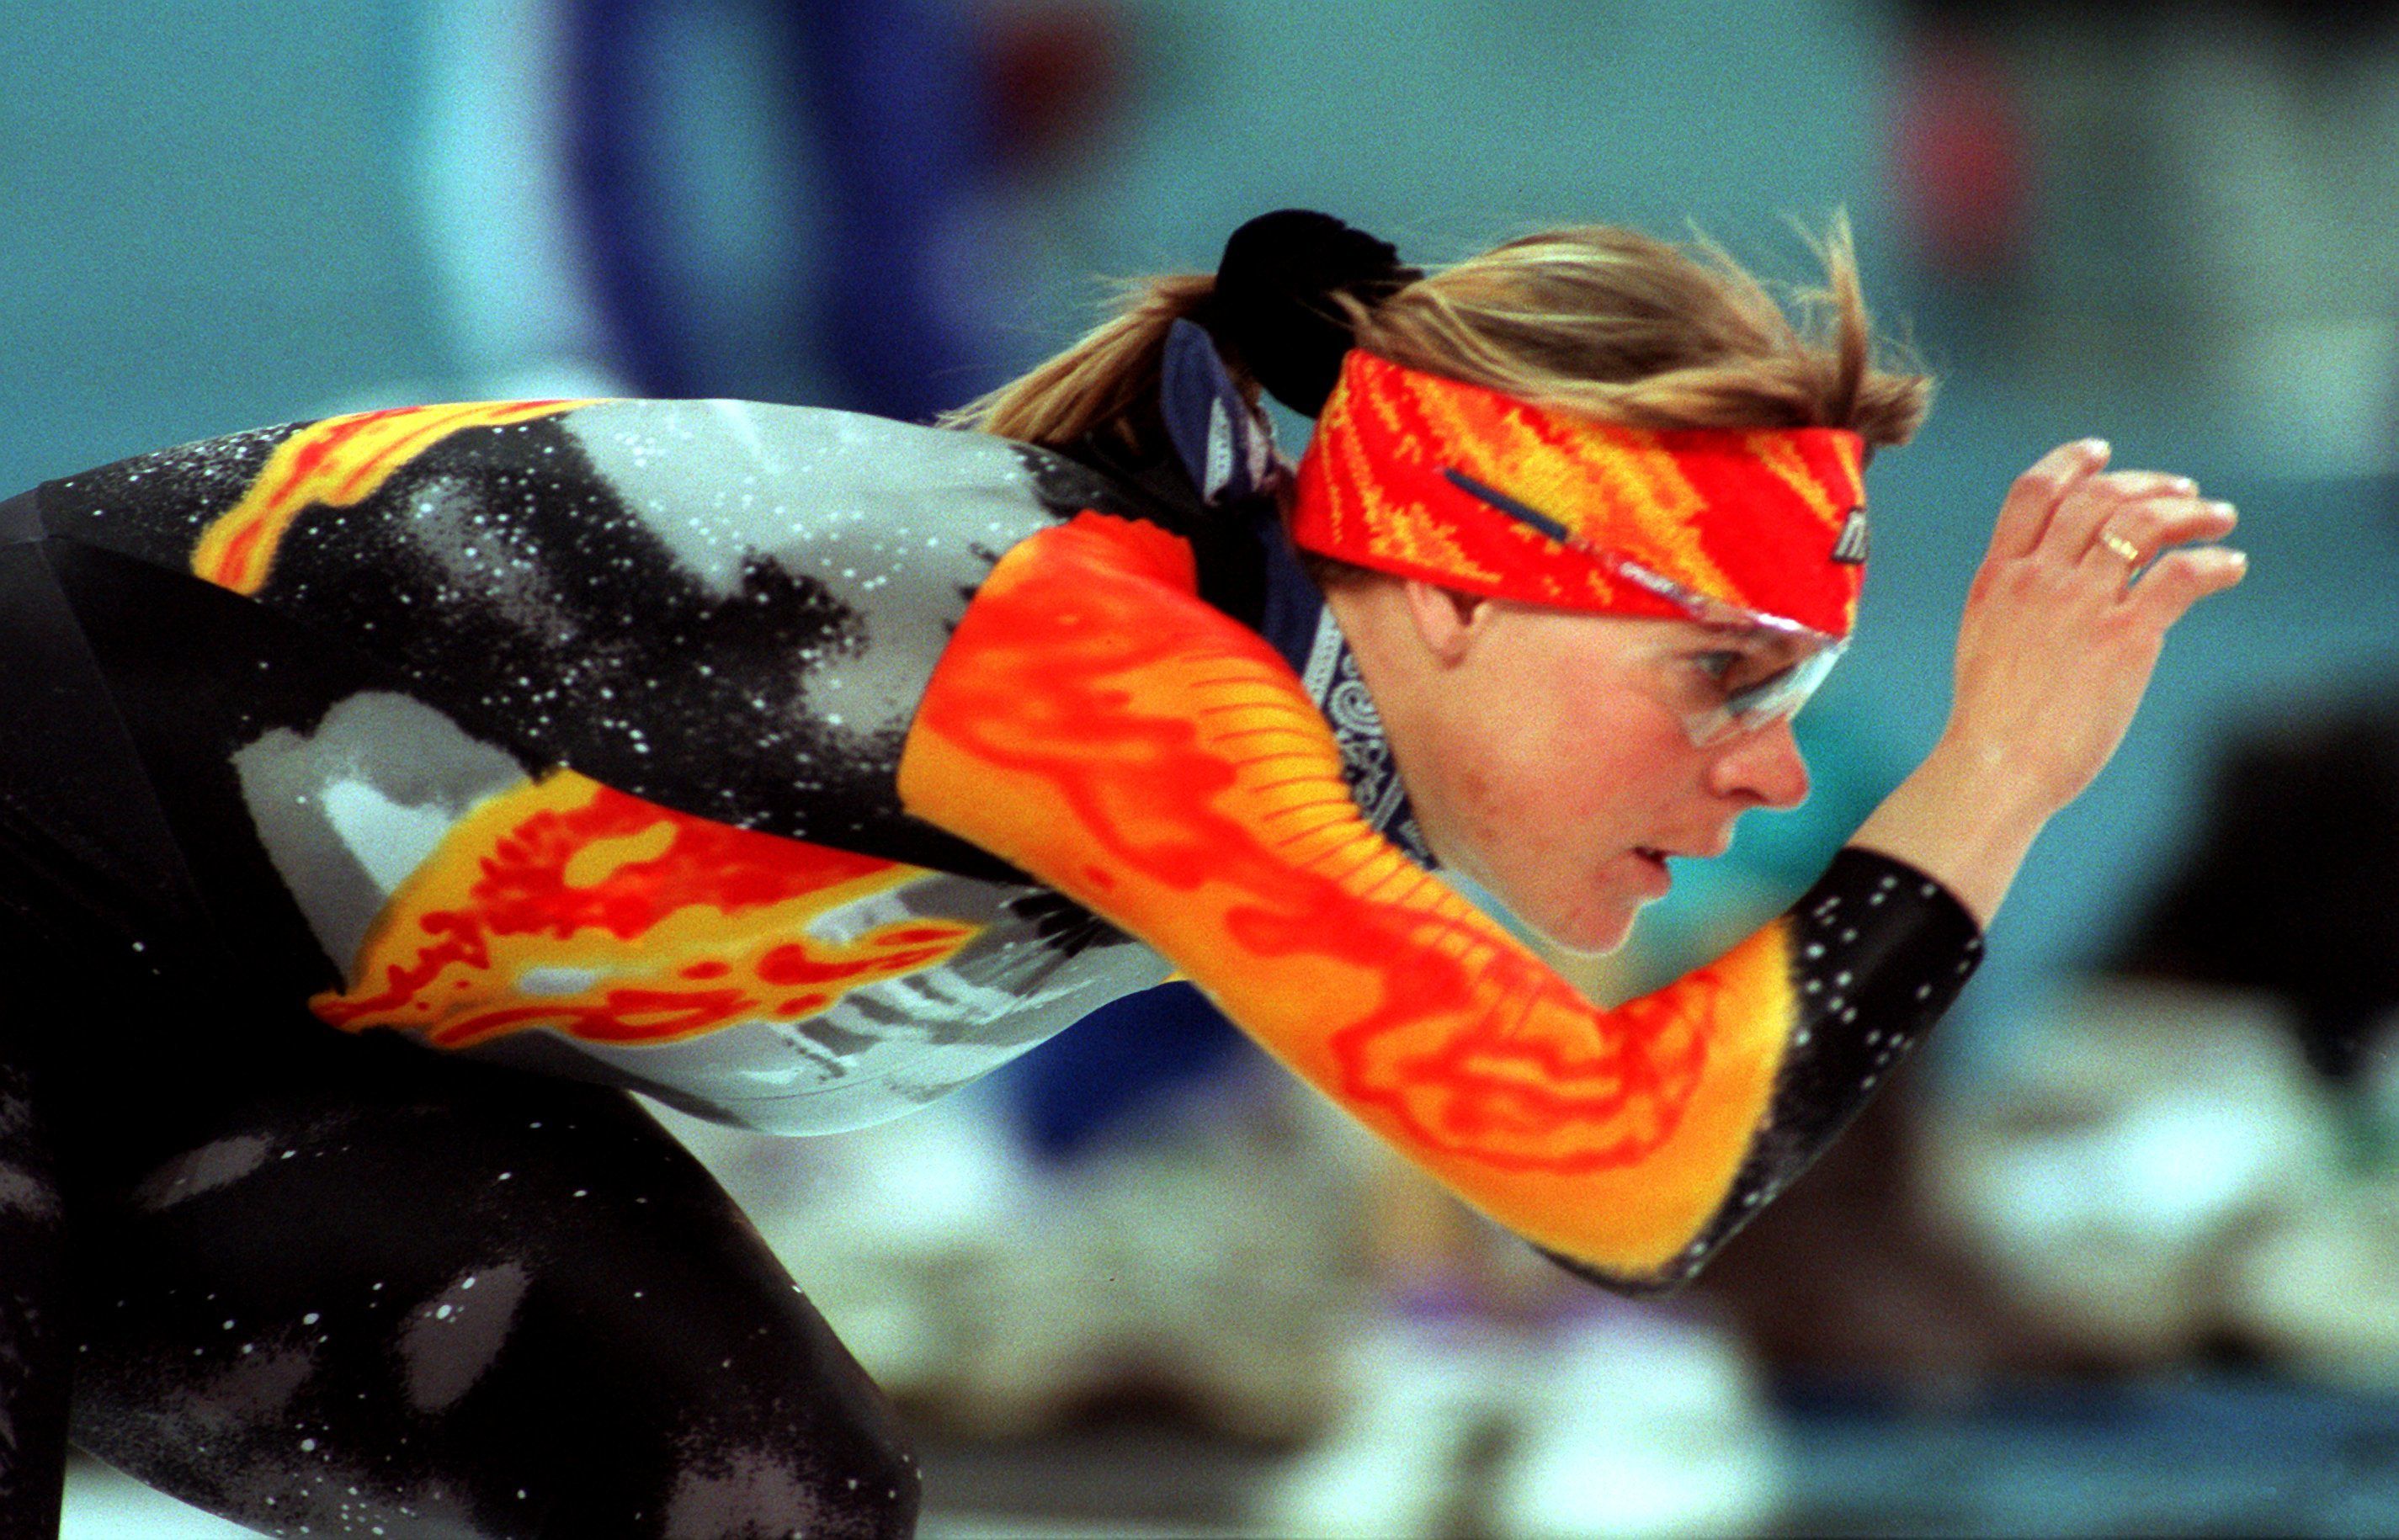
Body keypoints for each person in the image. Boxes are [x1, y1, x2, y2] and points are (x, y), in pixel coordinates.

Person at [0, 209, 2241, 1538]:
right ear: (1453, 591)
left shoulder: (1315, 738)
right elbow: (1622, 1167)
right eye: (1717, 672)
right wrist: (2000, 769)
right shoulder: (1109, 681)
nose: (1756, 771)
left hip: (206, 1019)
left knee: (753, 1501)